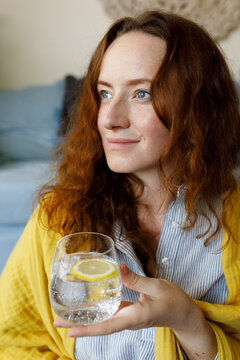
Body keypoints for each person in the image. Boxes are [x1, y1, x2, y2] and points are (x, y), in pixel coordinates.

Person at [1, 10, 240, 360]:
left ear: (197, 105)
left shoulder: (233, 221)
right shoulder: (58, 216)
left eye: (141, 93)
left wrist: (188, 320)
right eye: (104, 93)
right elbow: (13, 340)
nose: (110, 119)